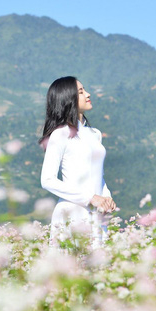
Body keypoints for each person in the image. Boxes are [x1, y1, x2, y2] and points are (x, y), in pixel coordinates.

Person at [39, 76, 117, 247]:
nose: (88, 94)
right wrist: (90, 198)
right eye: (81, 92)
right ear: (68, 99)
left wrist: (106, 197)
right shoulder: (60, 134)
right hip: (72, 212)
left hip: (97, 213)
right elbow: (47, 180)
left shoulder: (94, 134)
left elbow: (98, 174)